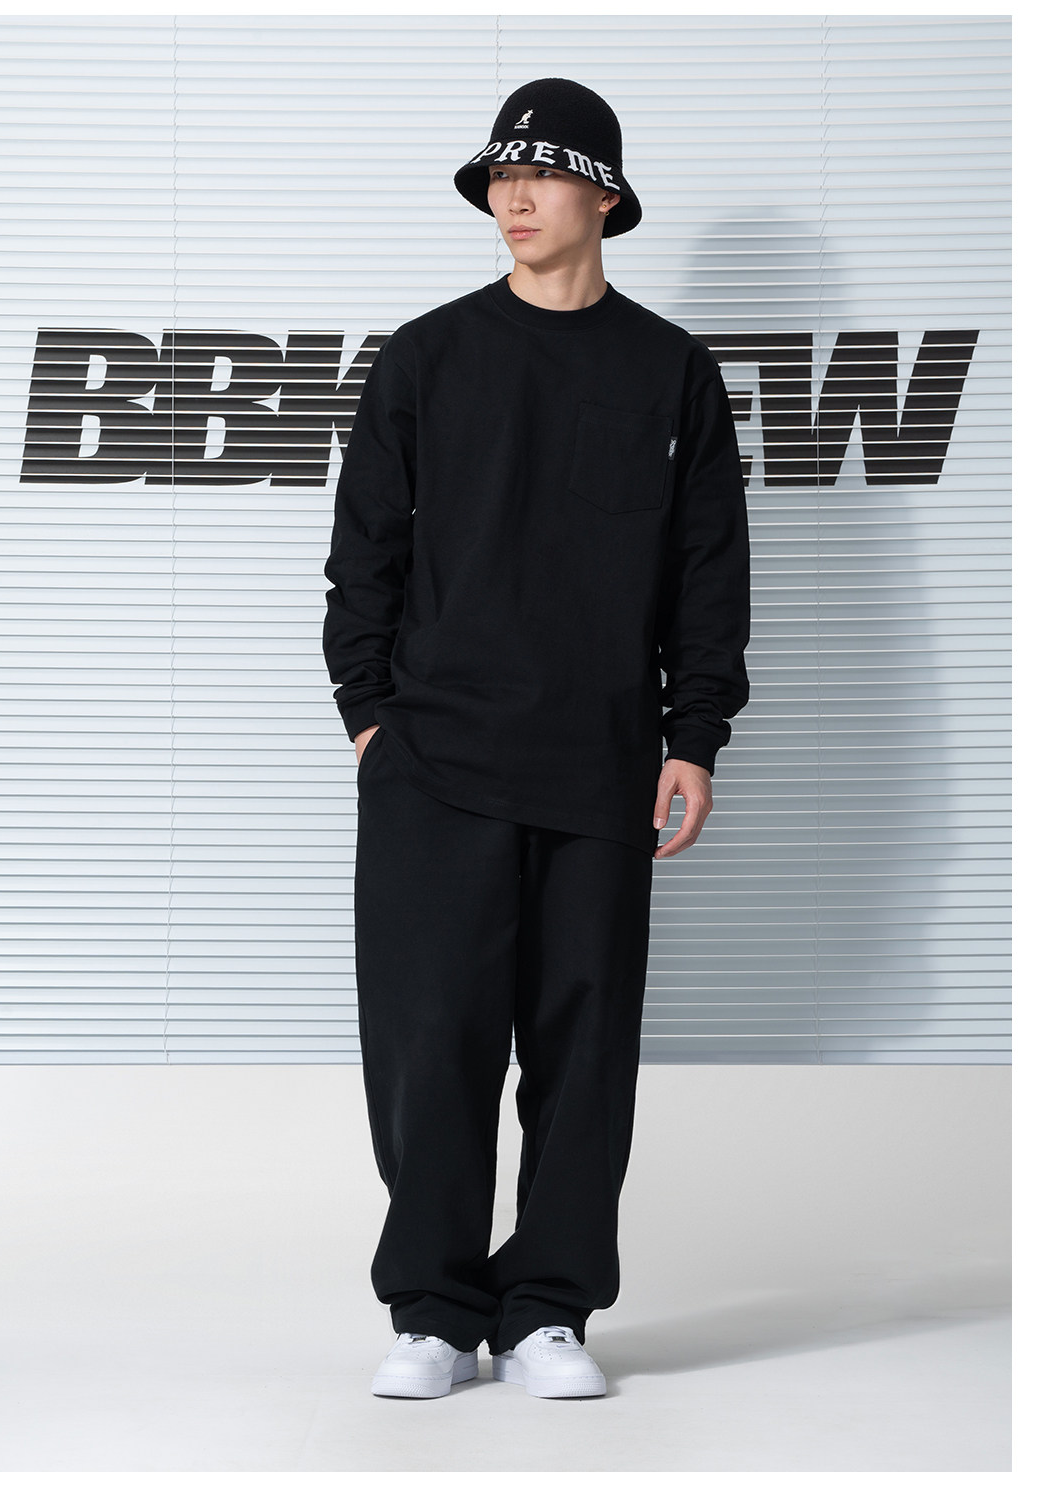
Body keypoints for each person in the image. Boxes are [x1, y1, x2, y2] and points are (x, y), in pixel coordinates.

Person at [322, 76, 751, 1401]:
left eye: (544, 174)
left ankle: (548, 1310)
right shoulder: (428, 357)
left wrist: (694, 737)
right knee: (430, 1044)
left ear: (603, 196)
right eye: (499, 177)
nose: (514, 196)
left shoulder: (670, 371)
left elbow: (708, 571)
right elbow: (364, 558)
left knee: (584, 1049)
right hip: (434, 764)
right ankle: (433, 1311)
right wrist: (370, 719)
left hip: (600, 763)